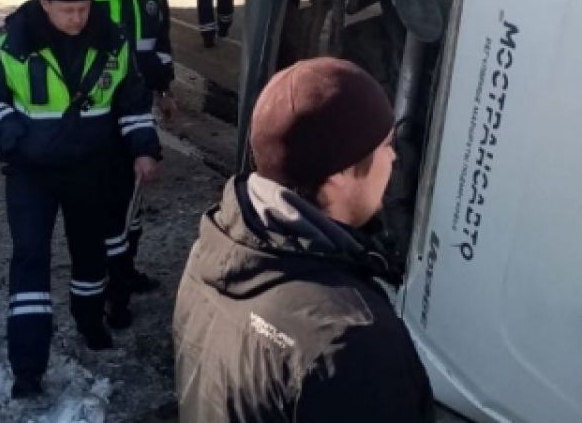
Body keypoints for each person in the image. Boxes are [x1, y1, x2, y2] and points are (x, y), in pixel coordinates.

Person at [173, 57, 435, 423]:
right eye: (385, 145)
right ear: (340, 174)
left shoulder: (213, 248)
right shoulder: (350, 341)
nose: (393, 158)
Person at [0, 0, 160, 399]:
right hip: (30, 175)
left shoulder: (113, 42)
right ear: (44, 2)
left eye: (85, 7)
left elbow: (131, 102)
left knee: (90, 257)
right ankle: (28, 367)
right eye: (68, 9)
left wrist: (144, 149)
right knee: (30, 260)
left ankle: (91, 323)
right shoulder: (11, 44)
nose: (78, 17)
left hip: (91, 170)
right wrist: (17, 142)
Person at [83, 0, 174, 294]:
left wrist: (164, 88)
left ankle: (125, 268)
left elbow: (162, 39)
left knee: (134, 191)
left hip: (139, 105)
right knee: (105, 197)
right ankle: (103, 279)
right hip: (95, 110)